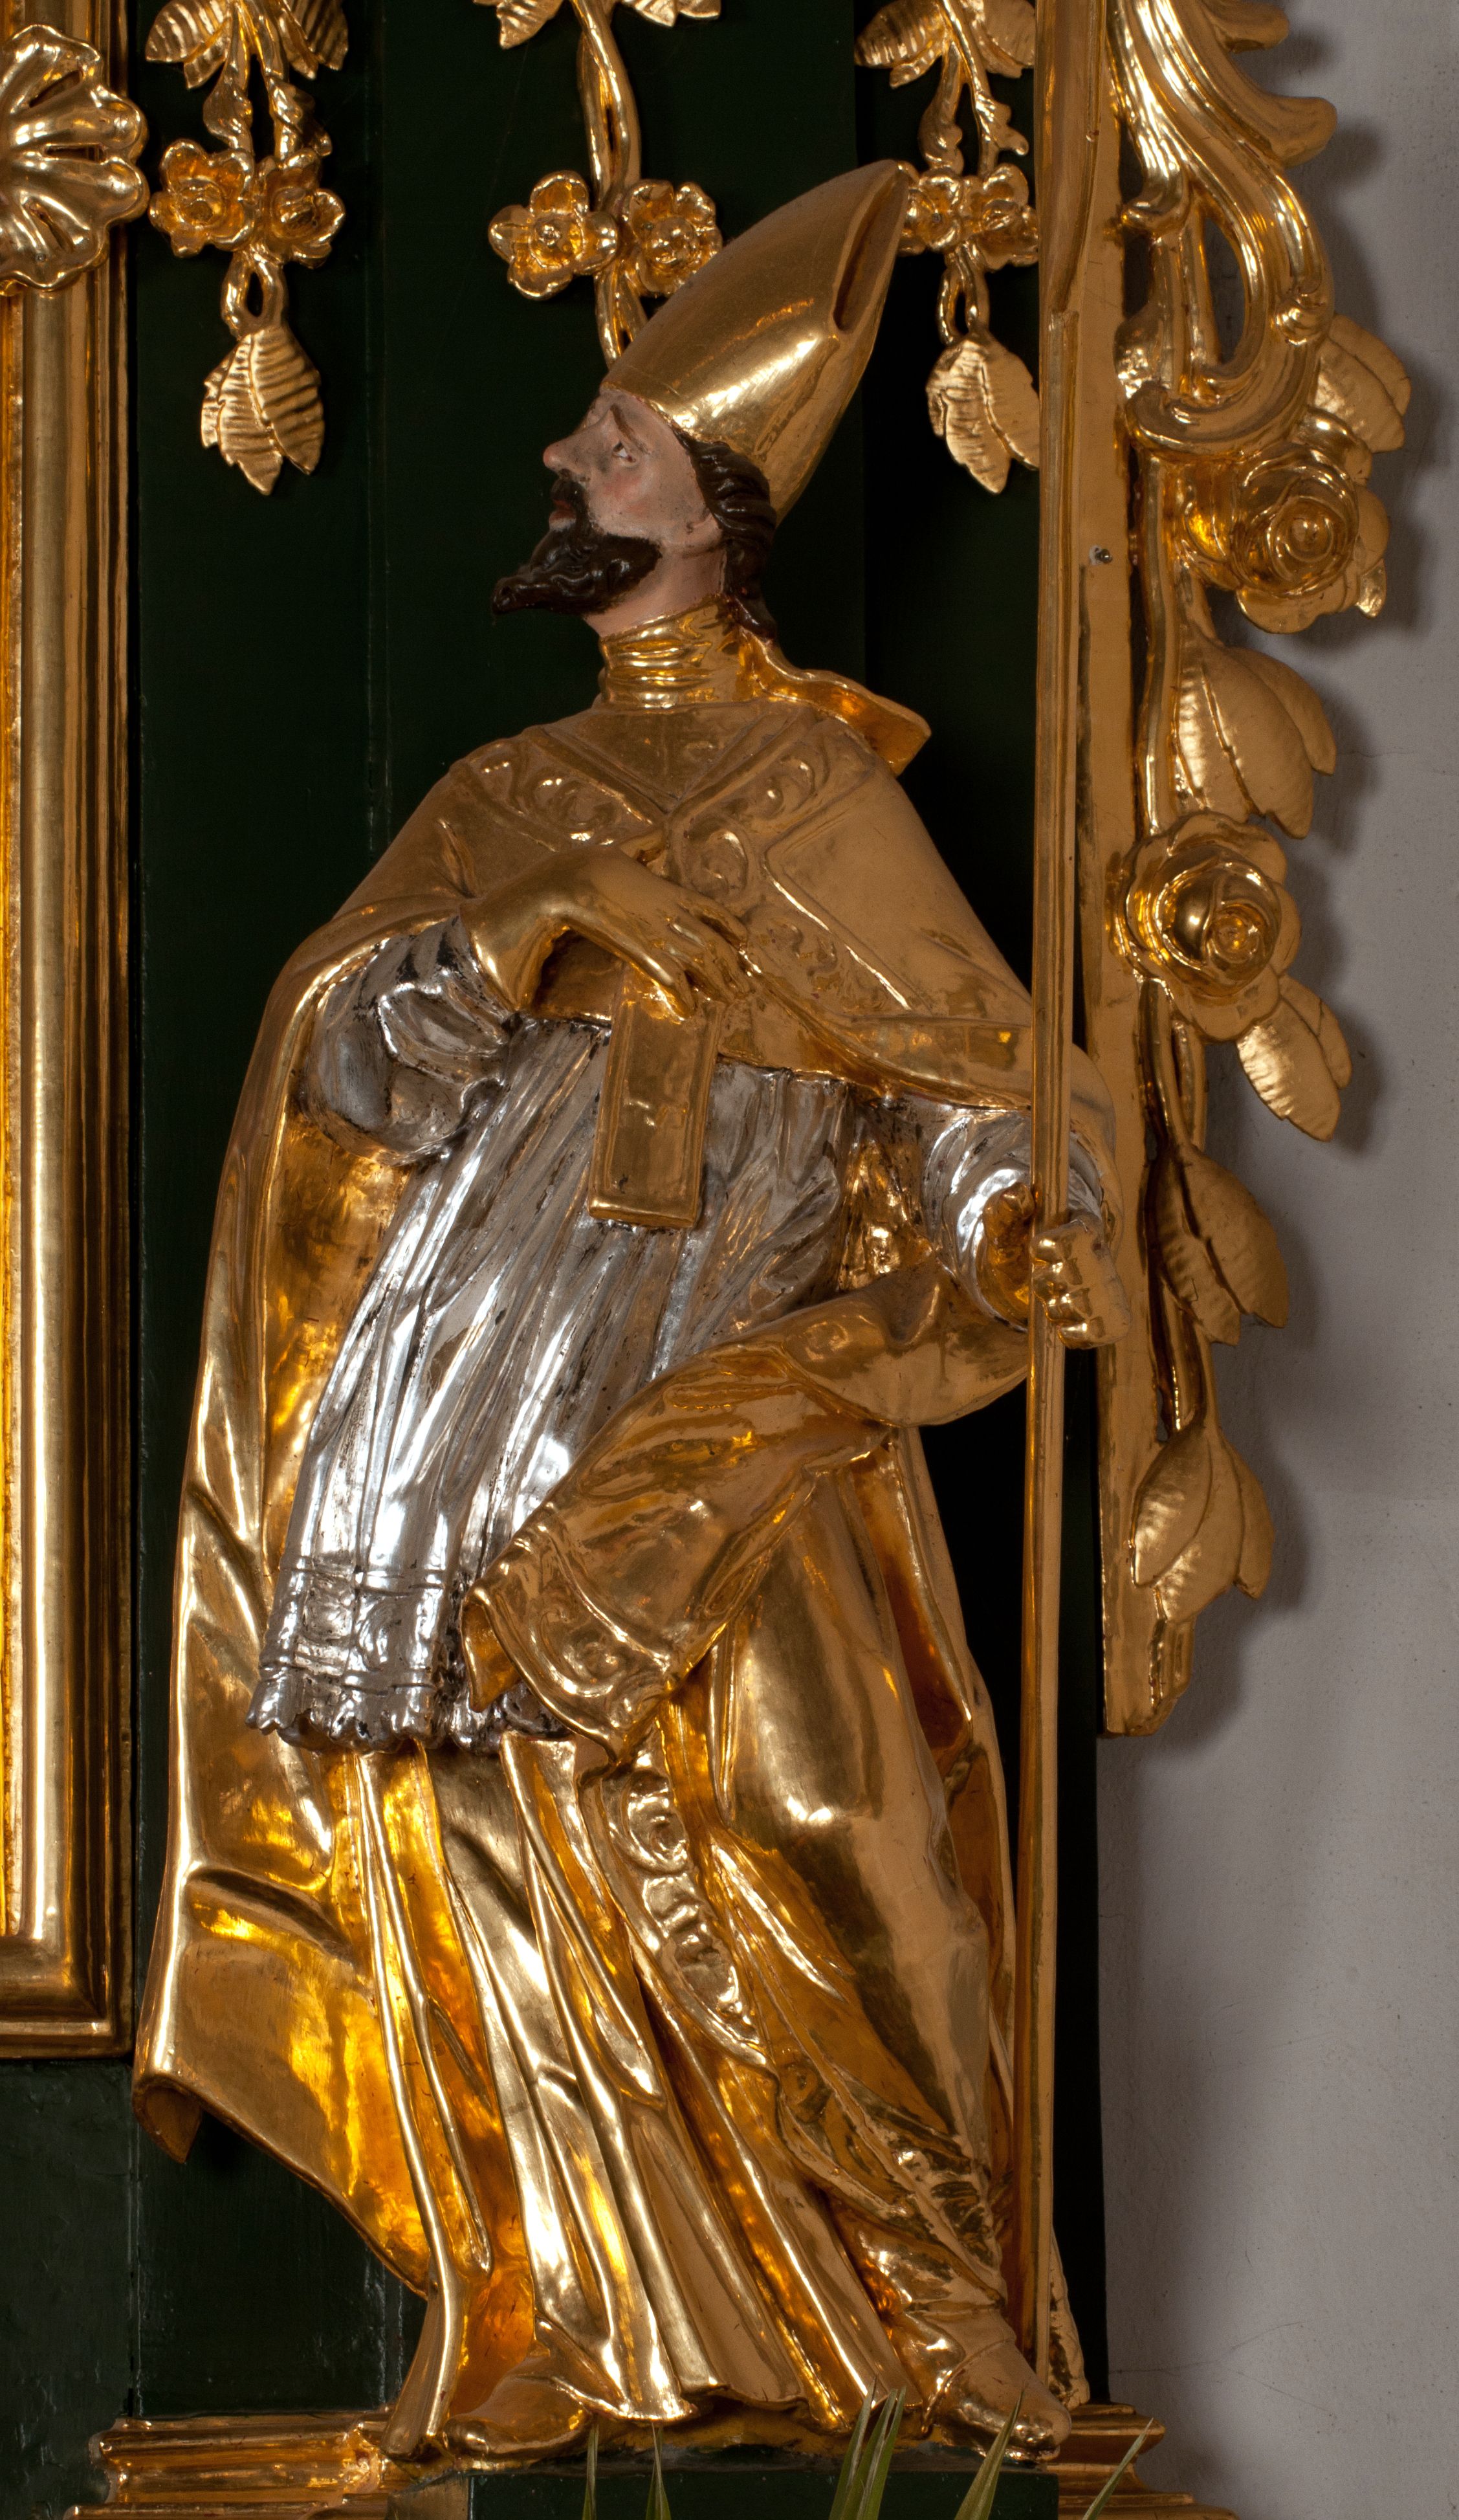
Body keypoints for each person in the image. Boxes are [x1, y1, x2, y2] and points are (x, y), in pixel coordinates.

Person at [135, 163, 1129, 2468]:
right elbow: (347, 1074)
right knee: (477, 1823)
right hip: (466, 1376)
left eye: (614, 444)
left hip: (724, 1387)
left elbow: (971, 1078)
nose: (566, 466)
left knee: (824, 1811)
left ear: (715, 510)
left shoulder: (818, 786)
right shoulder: (512, 793)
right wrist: (530, 919)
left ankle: (920, 2312)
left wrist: (1014, 1212)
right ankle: (545, 2298)